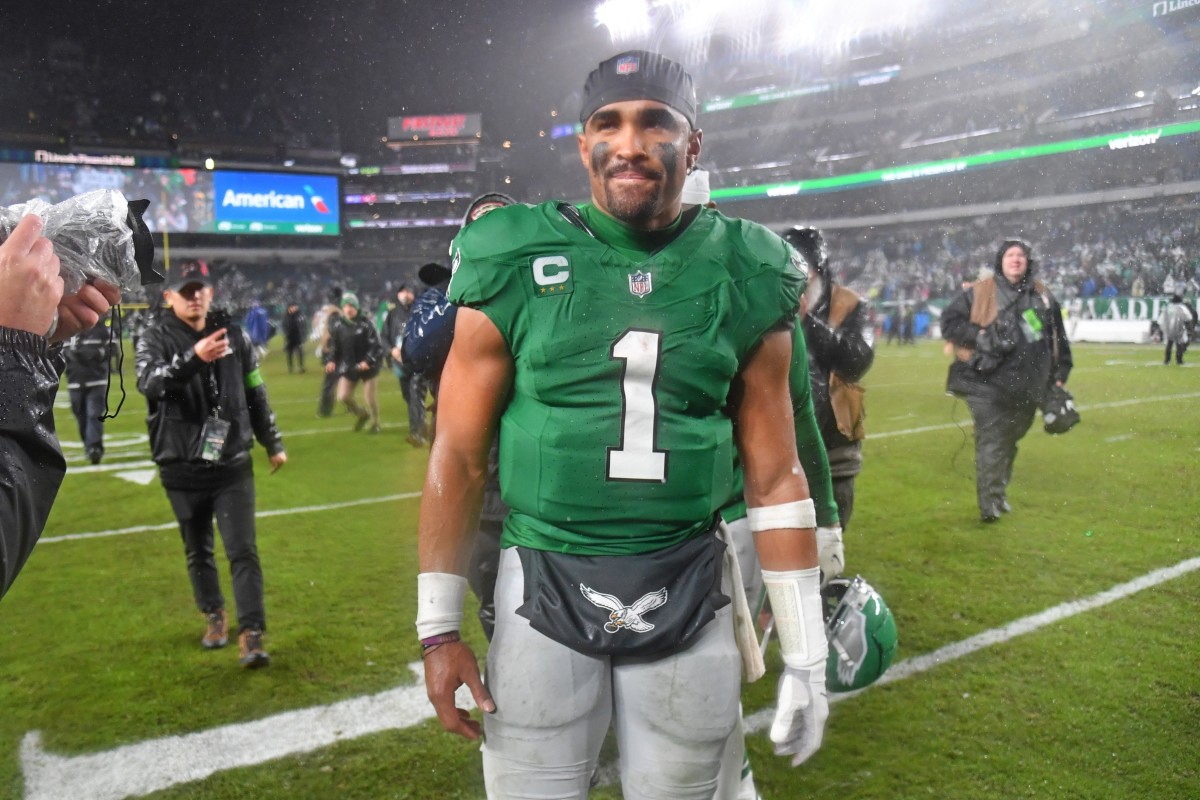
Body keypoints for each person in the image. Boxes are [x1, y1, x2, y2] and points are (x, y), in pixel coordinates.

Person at [417, 50, 829, 799]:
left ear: (693, 143)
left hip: (689, 579)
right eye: (608, 123)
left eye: (656, 123)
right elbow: (457, 454)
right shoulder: (513, 251)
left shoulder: (748, 266)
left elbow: (774, 474)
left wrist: (807, 651)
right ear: (583, 144)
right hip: (543, 573)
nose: (630, 144)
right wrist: (438, 629)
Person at [135, 259, 286, 667]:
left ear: (211, 292)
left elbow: (255, 390)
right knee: (198, 550)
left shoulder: (235, 334)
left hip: (231, 462)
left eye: (200, 288)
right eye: (186, 291)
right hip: (180, 464)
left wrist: (271, 440)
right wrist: (195, 358)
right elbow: (150, 383)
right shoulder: (154, 336)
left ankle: (252, 633)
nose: (196, 296)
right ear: (168, 297)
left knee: (243, 549)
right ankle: (214, 614)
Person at [0, 214, 121, 599]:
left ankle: (95, 446)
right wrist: (14, 349)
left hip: (89, 380)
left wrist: (40, 343)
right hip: (80, 382)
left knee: (90, 418)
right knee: (85, 417)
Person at [942, 239, 1073, 523]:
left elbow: (1057, 337)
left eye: (1021, 255)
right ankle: (988, 504)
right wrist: (979, 336)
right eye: (1010, 254)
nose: (1015, 259)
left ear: (1028, 261)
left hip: (1029, 385)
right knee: (992, 441)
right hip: (985, 382)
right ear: (1000, 261)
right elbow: (949, 322)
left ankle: (998, 493)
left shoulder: (1043, 295)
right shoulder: (980, 292)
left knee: (1010, 441)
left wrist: (1061, 372)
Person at [783, 226, 875, 530]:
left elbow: (857, 360)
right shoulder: (766, 299)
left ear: (818, 268)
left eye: (803, 265)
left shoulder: (850, 304)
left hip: (835, 446)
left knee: (827, 539)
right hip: (780, 443)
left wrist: (809, 322)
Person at [323, 291, 384, 433]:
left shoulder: (366, 323)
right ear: (342, 308)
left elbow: (376, 346)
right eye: (346, 306)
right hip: (349, 366)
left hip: (369, 367)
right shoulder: (338, 325)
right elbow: (335, 346)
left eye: (351, 306)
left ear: (356, 307)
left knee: (369, 397)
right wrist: (331, 360)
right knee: (343, 396)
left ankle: (375, 424)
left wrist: (367, 361)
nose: (348, 309)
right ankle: (362, 415)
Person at [64, 317, 118, 464]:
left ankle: (94, 448)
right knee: (80, 416)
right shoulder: (68, 328)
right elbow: (59, 352)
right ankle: (90, 445)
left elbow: (113, 348)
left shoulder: (102, 330)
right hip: (74, 380)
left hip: (96, 380)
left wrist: (93, 354)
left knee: (94, 414)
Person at [382, 284, 429, 446]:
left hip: (418, 363)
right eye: (402, 291)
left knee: (416, 394)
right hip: (401, 365)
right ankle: (416, 429)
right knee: (408, 397)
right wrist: (391, 350)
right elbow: (384, 337)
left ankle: (419, 432)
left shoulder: (422, 311)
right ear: (398, 294)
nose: (405, 294)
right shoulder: (392, 314)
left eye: (408, 291)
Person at [313, 285, 343, 417]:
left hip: (329, 349)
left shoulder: (328, 311)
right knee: (331, 381)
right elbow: (335, 333)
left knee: (340, 379)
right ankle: (324, 410)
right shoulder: (335, 312)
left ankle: (345, 405)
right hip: (333, 351)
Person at [1158, 293, 1195, 365]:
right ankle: (1179, 360)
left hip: (1169, 328)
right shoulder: (1182, 308)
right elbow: (1188, 318)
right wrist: (1189, 328)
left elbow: (1161, 320)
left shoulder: (1167, 307)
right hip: (1179, 327)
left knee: (1169, 344)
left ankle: (1167, 359)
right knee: (1179, 344)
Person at [280, 303, 307, 373]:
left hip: (298, 336)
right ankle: (290, 368)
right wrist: (285, 334)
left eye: (295, 307)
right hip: (289, 337)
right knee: (289, 353)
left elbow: (303, 326)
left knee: (300, 352)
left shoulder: (299, 315)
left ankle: (301, 367)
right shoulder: (286, 316)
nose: (295, 308)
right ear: (289, 308)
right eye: (293, 307)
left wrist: (303, 335)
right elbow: (283, 326)